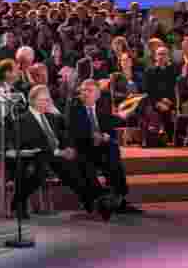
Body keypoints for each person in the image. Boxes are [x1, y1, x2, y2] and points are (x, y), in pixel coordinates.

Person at [13, 85, 116, 220]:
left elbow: (65, 136)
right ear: (32, 100)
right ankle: (94, 203)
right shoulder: (22, 119)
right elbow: (30, 143)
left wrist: (69, 148)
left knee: (82, 161)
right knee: (57, 165)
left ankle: (98, 199)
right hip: (37, 156)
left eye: (48, 100)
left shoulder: (53, 117)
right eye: (43, 100)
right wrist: (58, 152)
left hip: (57, 156)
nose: (48, 103)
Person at [68, 79, 141, 215]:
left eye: (89, 90)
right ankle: (103, 200)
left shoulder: (102, 106)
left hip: (101, 147)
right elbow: (76, 130)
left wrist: (106, 135)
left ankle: (119, 198)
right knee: (90, 160)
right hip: (83, 147)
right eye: (83, 90)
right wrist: (96, 136)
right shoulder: (74, 106)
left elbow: (109, 124)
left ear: (97, 94)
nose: (85, 93)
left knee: (112, 152)